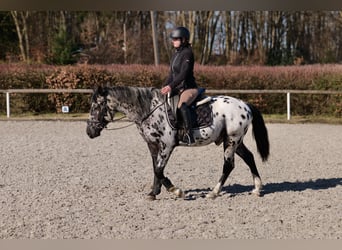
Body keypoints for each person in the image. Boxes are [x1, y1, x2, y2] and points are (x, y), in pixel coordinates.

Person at [161, 26, 199, 145]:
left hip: (189, 88)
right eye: (173, 39)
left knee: (181, 106)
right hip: (178, 88)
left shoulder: (188, 53)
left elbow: (183, 73)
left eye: (176, 39)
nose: (173, 41)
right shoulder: (175, 54)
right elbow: (172, 74)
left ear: (183, 39)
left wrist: (171, 86)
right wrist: (164, 86)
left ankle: (189, 135)